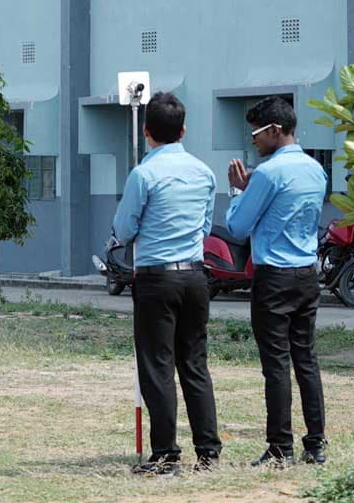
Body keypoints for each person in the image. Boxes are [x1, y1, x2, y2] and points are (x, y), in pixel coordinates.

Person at [113, 92, 222, 476]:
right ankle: (208, 452)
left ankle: (165, 455)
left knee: (158, 366)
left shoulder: (143, 174)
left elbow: (124, 228)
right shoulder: (204, 173)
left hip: (156, 278)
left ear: (146, 131)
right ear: (183, 130)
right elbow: (205, 228)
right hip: (195, 276)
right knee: (194, 364)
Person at [226, 95, 328, 467]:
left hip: (274, 278)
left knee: (276, 365)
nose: (253, 140)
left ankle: (280, 447)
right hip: (307, 274)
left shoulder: (268, 173)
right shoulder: (316, 170)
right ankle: (315, 444)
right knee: (306, 360)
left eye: (256, 133)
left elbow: (238, 227)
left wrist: (238, 192)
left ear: (275, 130)